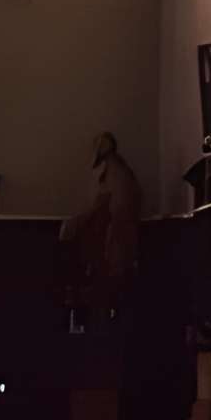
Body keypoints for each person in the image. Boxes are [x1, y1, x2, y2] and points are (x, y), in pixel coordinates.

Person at [60, 130, 144, 323]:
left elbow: (108, 206)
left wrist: (74, 225)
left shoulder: (118, 175)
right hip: (112, 237)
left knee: (112, 286)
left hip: (115, 238)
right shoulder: (117, 173)